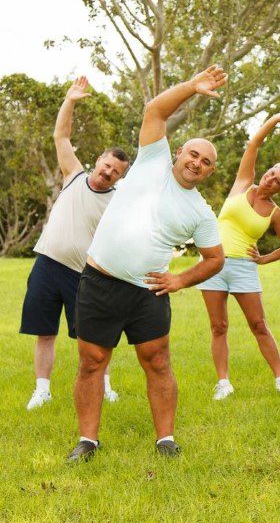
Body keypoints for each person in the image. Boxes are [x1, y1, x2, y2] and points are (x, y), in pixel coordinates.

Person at [67, 66, 228, 463]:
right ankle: (87, 441)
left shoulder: (201, 212)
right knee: (92, 362)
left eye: (206, 161)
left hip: (148, 293)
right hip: (100, 281)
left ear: (210, 172)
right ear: (179, 152)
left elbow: (216, 259)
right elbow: (155, 110)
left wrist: (179, 280)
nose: (197, 162)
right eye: (193, 153)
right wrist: (192, 87)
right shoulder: (152, 158)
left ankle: (165, 440)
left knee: (157, 361)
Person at [20, 76, 130, 410]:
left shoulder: (117, 202)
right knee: (44, 331)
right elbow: (61, 136)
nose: (108, 172)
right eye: (107, 165)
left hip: (83, 276)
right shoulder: (73, 176)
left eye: (115, 171)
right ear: (98, 160)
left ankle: (105, 385)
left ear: (120, 177)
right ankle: (42, 389)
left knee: (92, 337)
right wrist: (70, 100)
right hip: (46, 265)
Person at [198, 112, 280, 400]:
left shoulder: (275, 213)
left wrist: (262, 259)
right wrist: (277, 119)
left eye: (276, 181)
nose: (269, 180)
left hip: (244, 268)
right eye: (270, 173)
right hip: (212, 265)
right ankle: (223, 382)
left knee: (259, 325)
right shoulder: (244, 183)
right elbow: (255, 142)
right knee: (218, 326)